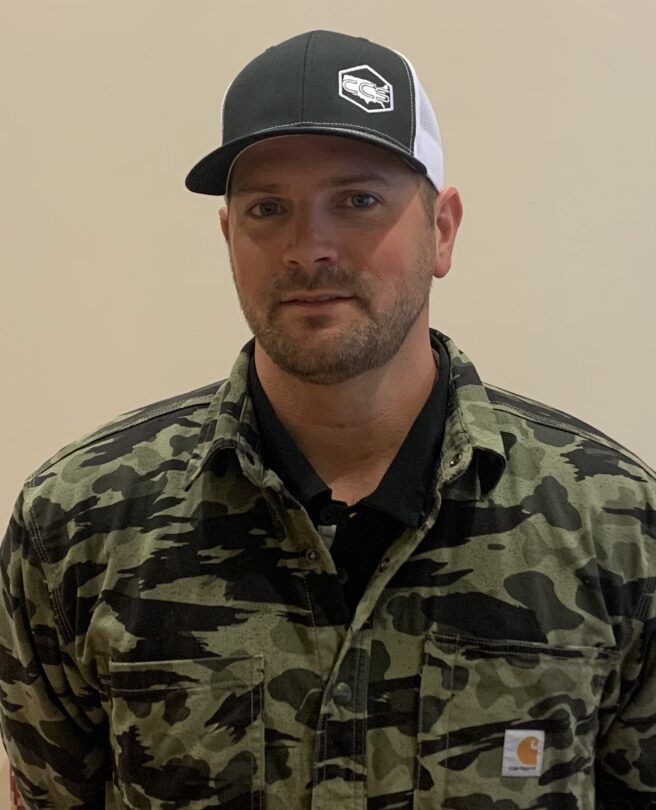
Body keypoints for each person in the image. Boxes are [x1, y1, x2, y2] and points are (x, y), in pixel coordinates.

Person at [0, 28, 654, 810]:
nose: (308, 248)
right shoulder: (80, 525)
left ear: (441, 229)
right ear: (228, 236)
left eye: (357, 200)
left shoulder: (613, 524)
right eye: (268, 208)